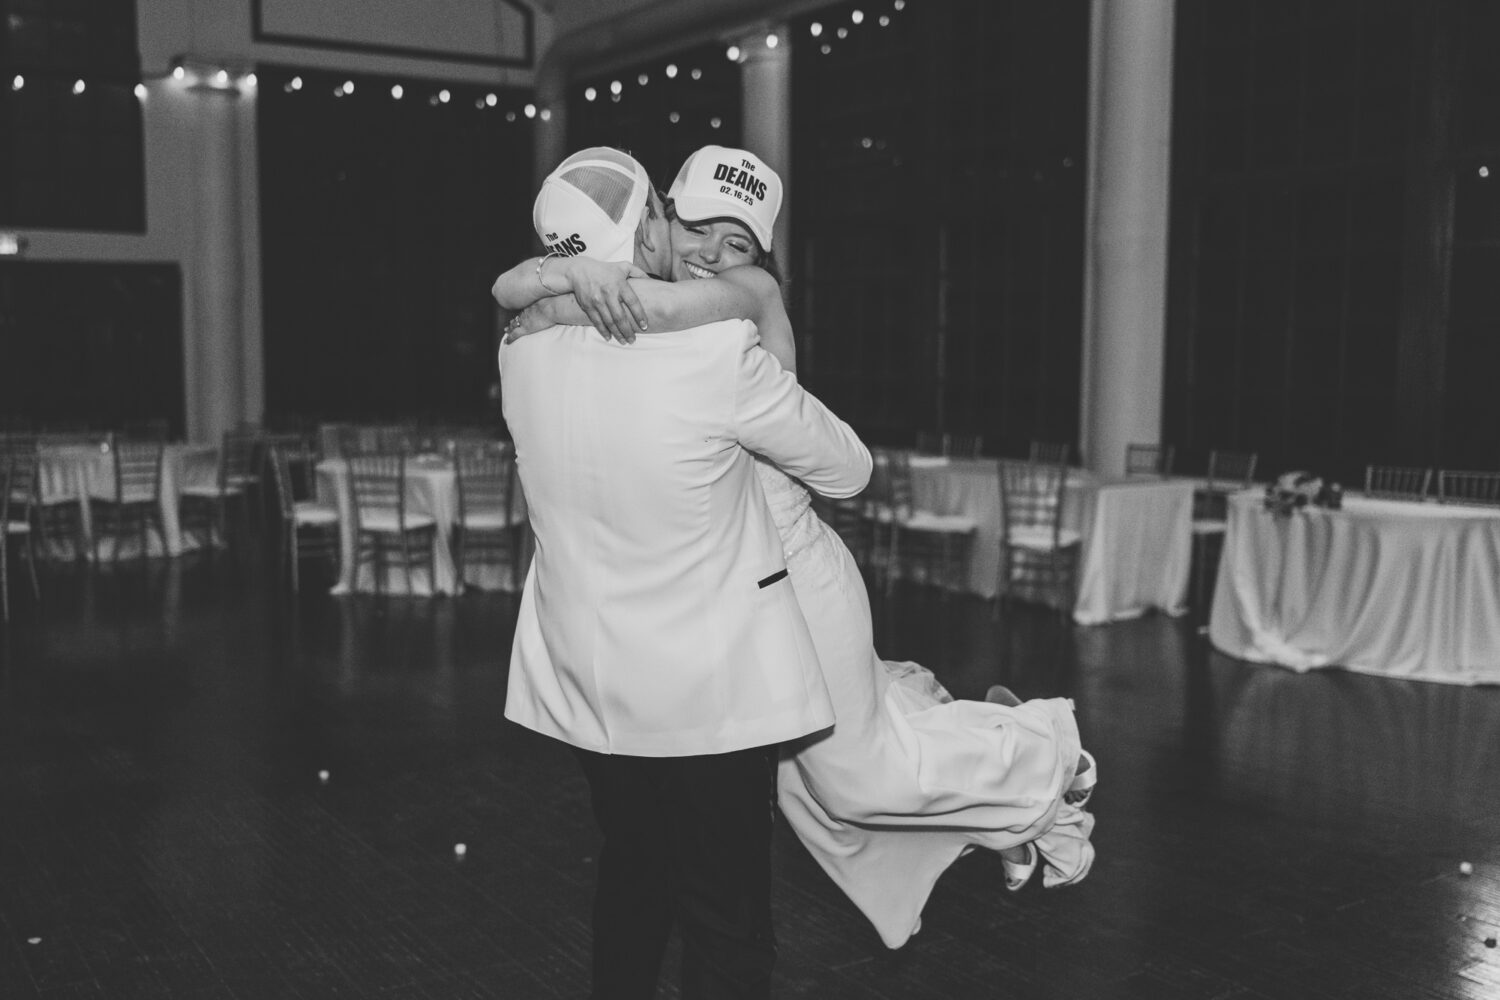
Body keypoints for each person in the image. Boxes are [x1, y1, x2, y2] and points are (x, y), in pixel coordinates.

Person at [495, 145, 1096, 951]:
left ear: (759, 258)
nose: (712, 253)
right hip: (726, 616)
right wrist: (556, 281)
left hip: (795, 579)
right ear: (660, 222)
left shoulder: (741, 298)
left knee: (857, 783)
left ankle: (1042, 748)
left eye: (737, 241)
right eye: (699, 228)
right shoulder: (629, 300)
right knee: (823, 798)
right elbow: (520, 290)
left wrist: (566, 290)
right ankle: (993, 786)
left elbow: (661, 319)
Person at [496, 147, 873, 999]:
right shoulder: (714, 356)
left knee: (632, 874)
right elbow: (849, 470)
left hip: (588, 688)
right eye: (670, 217)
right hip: (710, 701)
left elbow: (524, 294)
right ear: (647, 231)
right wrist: (761, 303)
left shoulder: (521, 351)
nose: (687, 236)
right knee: (727, 920)